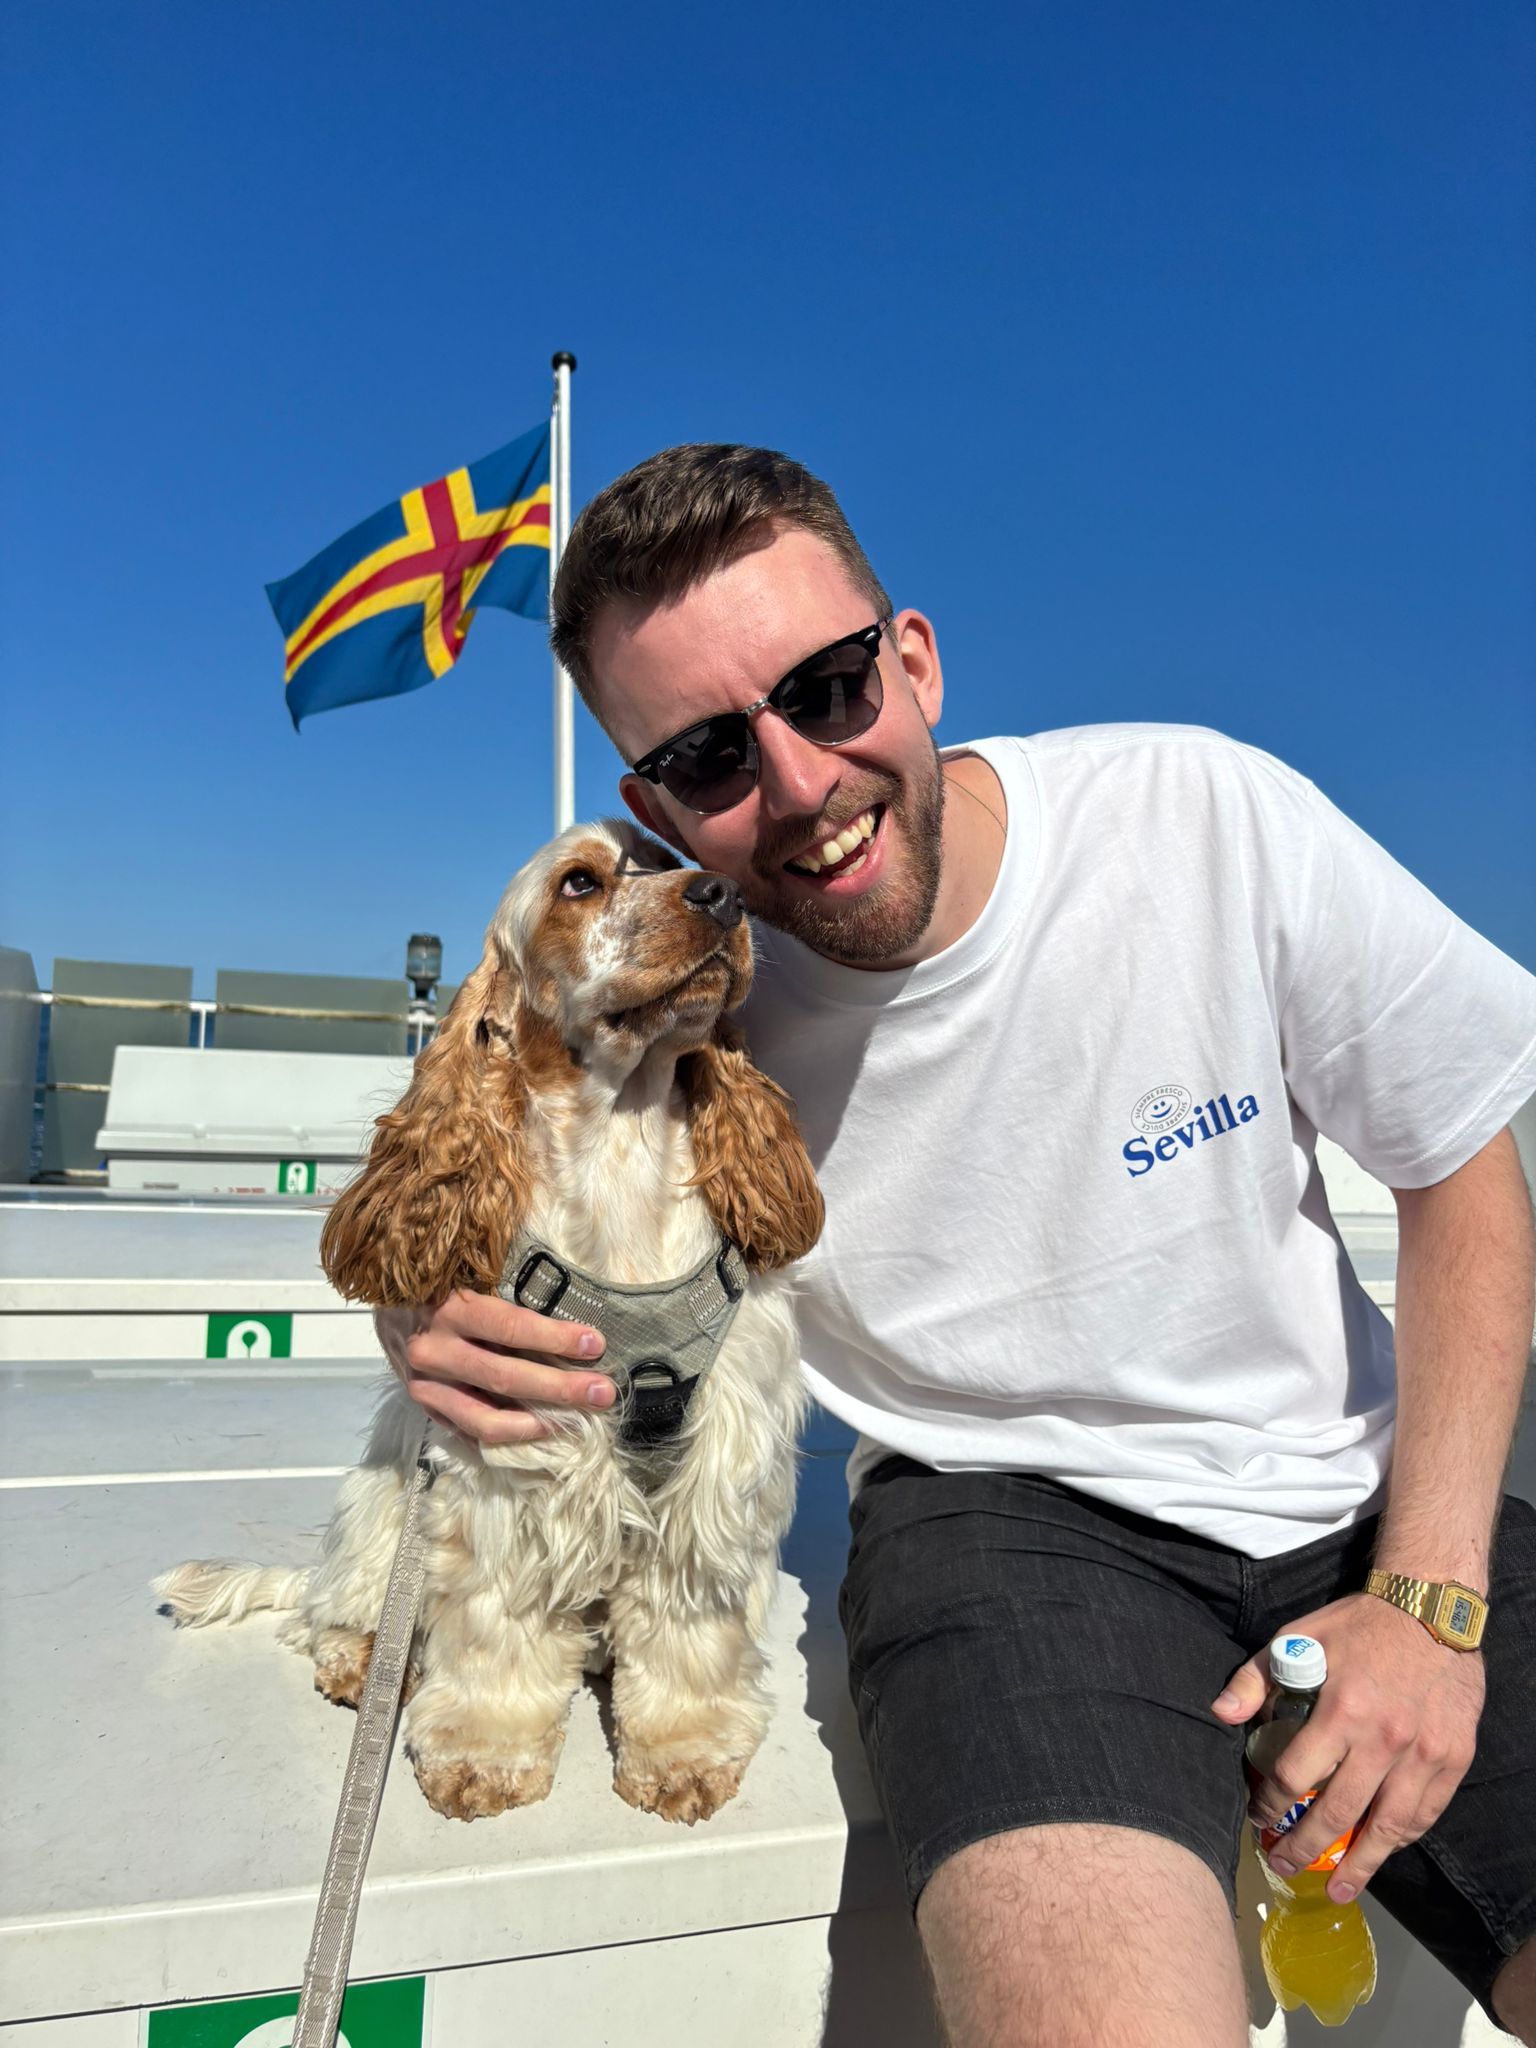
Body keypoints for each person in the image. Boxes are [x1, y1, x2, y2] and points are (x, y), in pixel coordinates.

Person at [383, 445, 1536, 2048]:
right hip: (998, 1531)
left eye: (829, 687)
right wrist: (417, 1317)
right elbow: (503, 1153)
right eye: (711, 756)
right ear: (655, 811)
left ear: (913, 661)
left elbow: (1460, 1165)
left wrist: (1428, 1604)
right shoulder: (701, 1008)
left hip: (1361, 1497)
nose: (800, 784)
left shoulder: (1203, 815)